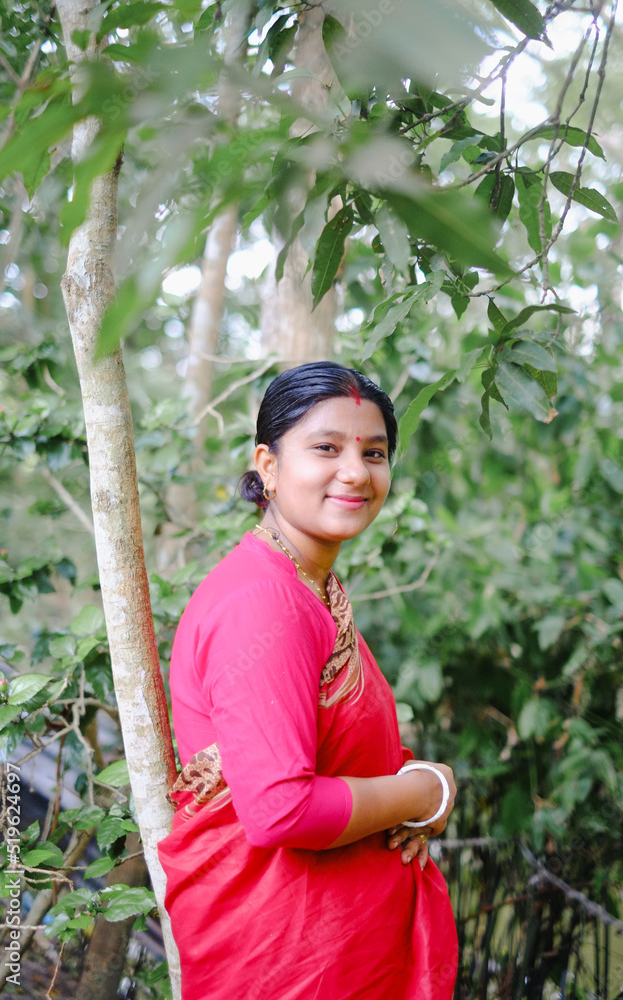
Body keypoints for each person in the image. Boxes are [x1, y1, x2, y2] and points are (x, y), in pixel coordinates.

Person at [158, 361, 458, 1000]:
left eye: (373, 453)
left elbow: (337, 753)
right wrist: (424, 790)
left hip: (341, 952)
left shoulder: (307, 587)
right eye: (326, 448)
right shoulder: (263, 601)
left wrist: (417, 789)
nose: (356, 472)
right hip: (287, 962)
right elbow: (281, 810)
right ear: (267, 465)